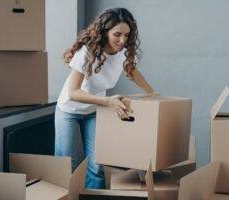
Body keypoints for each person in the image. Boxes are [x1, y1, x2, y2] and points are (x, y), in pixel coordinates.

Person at [55, 7, 155, 189]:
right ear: (105, 31)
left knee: (97, 165)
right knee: (66, 165)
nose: (123, 40)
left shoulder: (122, 52)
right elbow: (73, 92)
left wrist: (153, 93)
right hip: (69, 110)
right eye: (117, 34)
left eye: (127, 35)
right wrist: (108, 102)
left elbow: (132, 71)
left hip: (94, 110)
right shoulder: (85, 52)